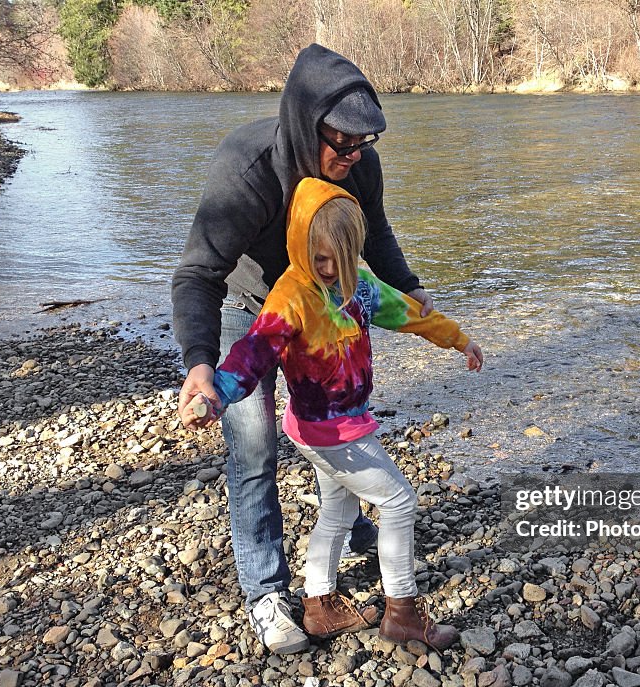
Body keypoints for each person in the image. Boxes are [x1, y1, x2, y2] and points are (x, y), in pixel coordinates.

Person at [171, 44, 434, 655]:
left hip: (324, 302)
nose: (352, 156)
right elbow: (196, 275)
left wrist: (413, 293)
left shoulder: (357, 166)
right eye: (341, 143)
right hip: (252, 309)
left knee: (330, 417)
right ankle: (266, 592)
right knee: (257, 445)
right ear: (303, 122)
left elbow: (379, 237)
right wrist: (201, 366)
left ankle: (347, 526)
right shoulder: (249, 169)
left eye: (364, 144)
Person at [195, 177, 483, 651]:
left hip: (330, 426)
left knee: (338, 509)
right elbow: (252, 353)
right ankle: (402, 613)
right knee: (399, 503)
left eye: (340, 260)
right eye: (319, 259)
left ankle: (319, 604)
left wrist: (458, 338)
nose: (328, 270)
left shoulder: (358, 285)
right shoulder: (291, 297)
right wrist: (215, 395)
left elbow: (409, 313)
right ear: (299, 243)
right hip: (331, 432)